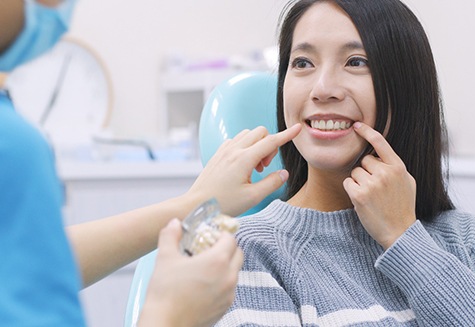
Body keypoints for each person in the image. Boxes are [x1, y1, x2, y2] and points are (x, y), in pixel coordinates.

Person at [214, 0, 475, 326]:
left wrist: (405, 239)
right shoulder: (247, 253)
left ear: (407, 88)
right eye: (302, 63)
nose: (323, 89)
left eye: (356, 61)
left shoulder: (466, 238)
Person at [0, 0, 302, 326]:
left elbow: (33, 260)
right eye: (302, 63)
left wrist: (196, 204)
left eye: (355, 62)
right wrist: (170, 316)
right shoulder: (14, 147)